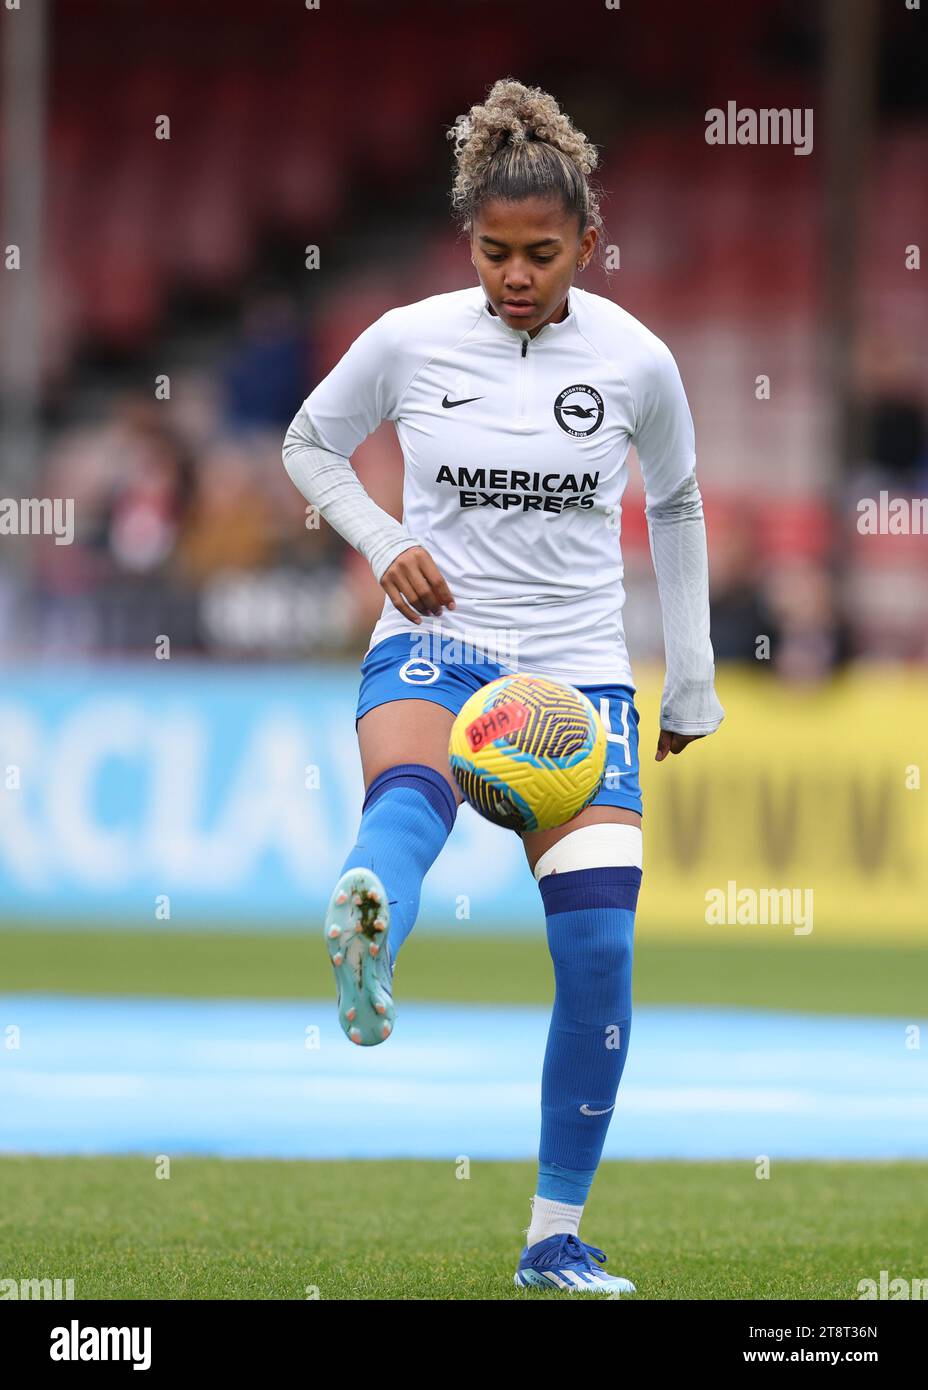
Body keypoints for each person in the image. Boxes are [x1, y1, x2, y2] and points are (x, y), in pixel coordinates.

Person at [282, 78, 724, 1295]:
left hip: (578, 681)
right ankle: (368, 919)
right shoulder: (410, 338)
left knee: (596, 956)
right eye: (492, 252)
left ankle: (551, 1240)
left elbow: (678, 505)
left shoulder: (636, 358)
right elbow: (307, 443)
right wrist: (384, 541)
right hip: (439, 640)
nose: (513, 276)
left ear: (588, 241)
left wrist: (688, 679)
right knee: (410, 794)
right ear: (463, 240)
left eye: (539, 253)